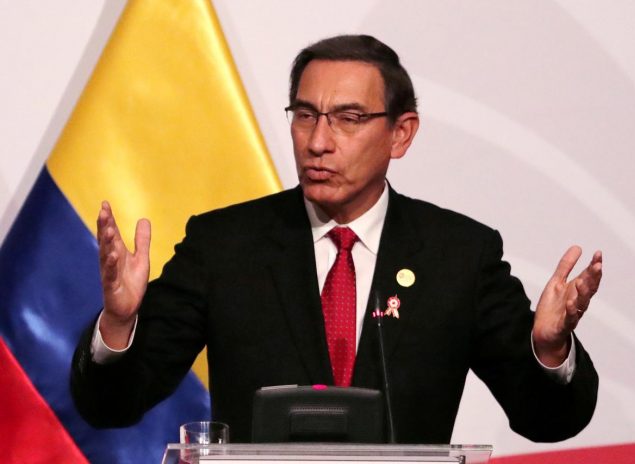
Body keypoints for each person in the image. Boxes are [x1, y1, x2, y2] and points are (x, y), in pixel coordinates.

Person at [71, 35, 602, 444]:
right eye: (305, 116)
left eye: (348, 119)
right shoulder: (224, 246)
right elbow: (112, 406)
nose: (318, 142)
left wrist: (550, 349)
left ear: (401, 133)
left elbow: (547, 421)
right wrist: (118, 325)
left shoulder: (459, 255)